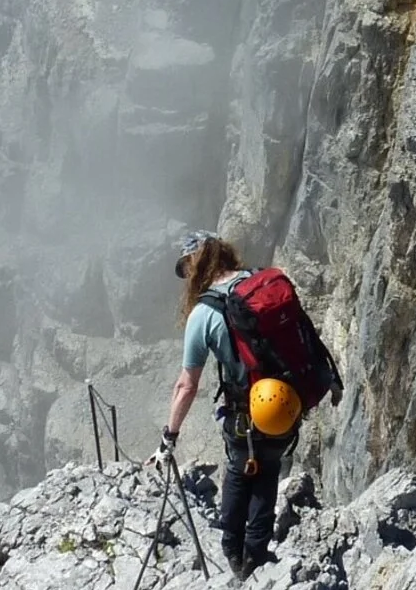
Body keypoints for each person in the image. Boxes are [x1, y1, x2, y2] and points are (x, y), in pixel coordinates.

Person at [152, 231, 338, 579]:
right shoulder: (263, 281)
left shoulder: (203, 313)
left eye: (187, 267)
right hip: (288, 405)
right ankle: (256, 554)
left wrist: (169, 437)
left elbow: (186, 385)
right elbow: (304, 334)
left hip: (246, 414)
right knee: (268, 471)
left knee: (240, 473)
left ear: (195, 263)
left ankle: (235, 556)